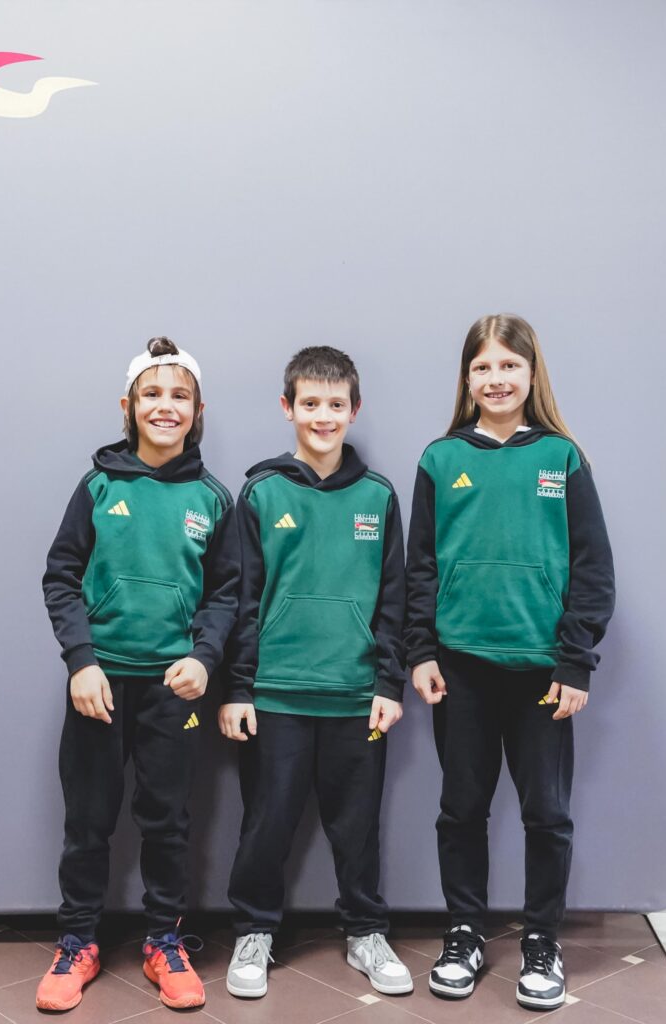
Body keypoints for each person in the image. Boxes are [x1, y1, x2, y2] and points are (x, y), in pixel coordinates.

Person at [405, 314, 614, 1011]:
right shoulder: (440, 459)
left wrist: (575, 661)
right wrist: (420, 651)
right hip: (461, 668)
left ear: (531, 374)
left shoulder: (562, 457)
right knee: (461, 808)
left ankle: (542, 939)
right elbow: (420, 567)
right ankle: (464, 931)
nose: (496, 379)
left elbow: (593, 567)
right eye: (482, 367)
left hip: (542, 673)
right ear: (467, 378)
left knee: (546, 814)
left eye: (508, 366)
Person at [37, 337, 239, 1012]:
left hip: (171, 692)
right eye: (152, 394)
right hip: (98, 686)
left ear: (197, 411)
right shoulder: (97, 486)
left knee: (168, 821)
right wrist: (81, 661)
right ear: (127, 406)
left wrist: (204, 657)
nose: (165, 406)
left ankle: (163, 941)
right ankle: (77, 942)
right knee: (88, 820)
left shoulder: (212, 498)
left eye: (179, 395)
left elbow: (227, 594)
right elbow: (61, 577)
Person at [219, 346, 413, 999]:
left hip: (356, 696)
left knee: (357, 828)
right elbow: (242, 599)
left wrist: (389, 683)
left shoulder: (378, 496)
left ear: (354, 410)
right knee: (266, 823)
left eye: (335, 404)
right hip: (274, 695)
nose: (322, 416)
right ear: (288, 408)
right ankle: (254, 931)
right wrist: (237, 688)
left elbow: (394, 601)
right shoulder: (261, 492)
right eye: (310, 404)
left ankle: (366, 931)